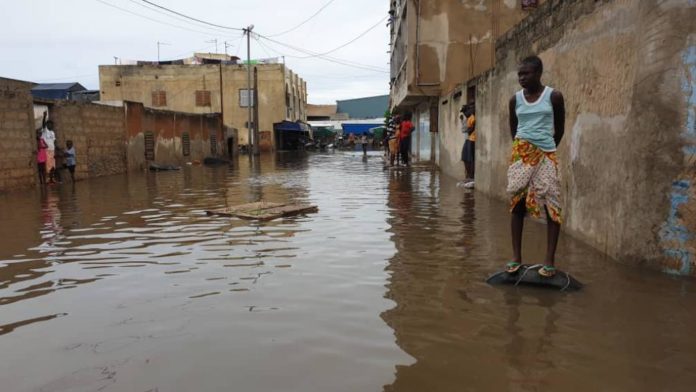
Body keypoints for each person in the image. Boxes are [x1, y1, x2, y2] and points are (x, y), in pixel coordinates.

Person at [505, 55, 565, 278]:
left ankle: (549, 260)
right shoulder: (515, 100)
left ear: (538, 73)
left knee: (552, 203)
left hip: (547, 154)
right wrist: (525, 148)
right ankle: (516, 257)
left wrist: (544, 148)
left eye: (526, 73)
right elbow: (514, 129)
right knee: (517, 204)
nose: (521, 77)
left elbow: (559, 128)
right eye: (519, 74)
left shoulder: (554, 96)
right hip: (521, 153)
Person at [461, 104, 476, 187]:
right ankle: (469, 176)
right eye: (464, 112)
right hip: (469, 139)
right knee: (465, 158)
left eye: (466, 111)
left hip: (471, 140)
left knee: (470, 158)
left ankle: (471, 176)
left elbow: (467, 129)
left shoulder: (472, 117)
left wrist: (469, 129)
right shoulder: (468, 118)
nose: (465, 113)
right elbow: (465, 129)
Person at [41, 115, 57, 184]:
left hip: (52, 150)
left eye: (52, 124)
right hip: (47, 151)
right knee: (48, 166)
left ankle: (52, 179)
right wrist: (44, 116)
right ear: (47, 125)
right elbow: (43, 124)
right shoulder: (45, 131)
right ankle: (47, 179)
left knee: (53, 166)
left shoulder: (53, 133)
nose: (51, 125)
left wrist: (55, 150)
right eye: (49, 124)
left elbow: (54, 141)